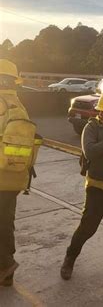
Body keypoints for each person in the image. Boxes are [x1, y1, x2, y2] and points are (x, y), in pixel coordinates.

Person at [60, 91, 103, 280]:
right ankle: (70, 258)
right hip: (97, 188)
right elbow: (90, 152)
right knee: (88, 227)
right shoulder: (91, 128)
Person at [0, 59, 41, 287]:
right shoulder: (19, 105)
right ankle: (7, 269)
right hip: (17, 177)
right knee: (6, 220)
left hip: (0, 175)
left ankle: (6, 264)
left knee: (2, 222)